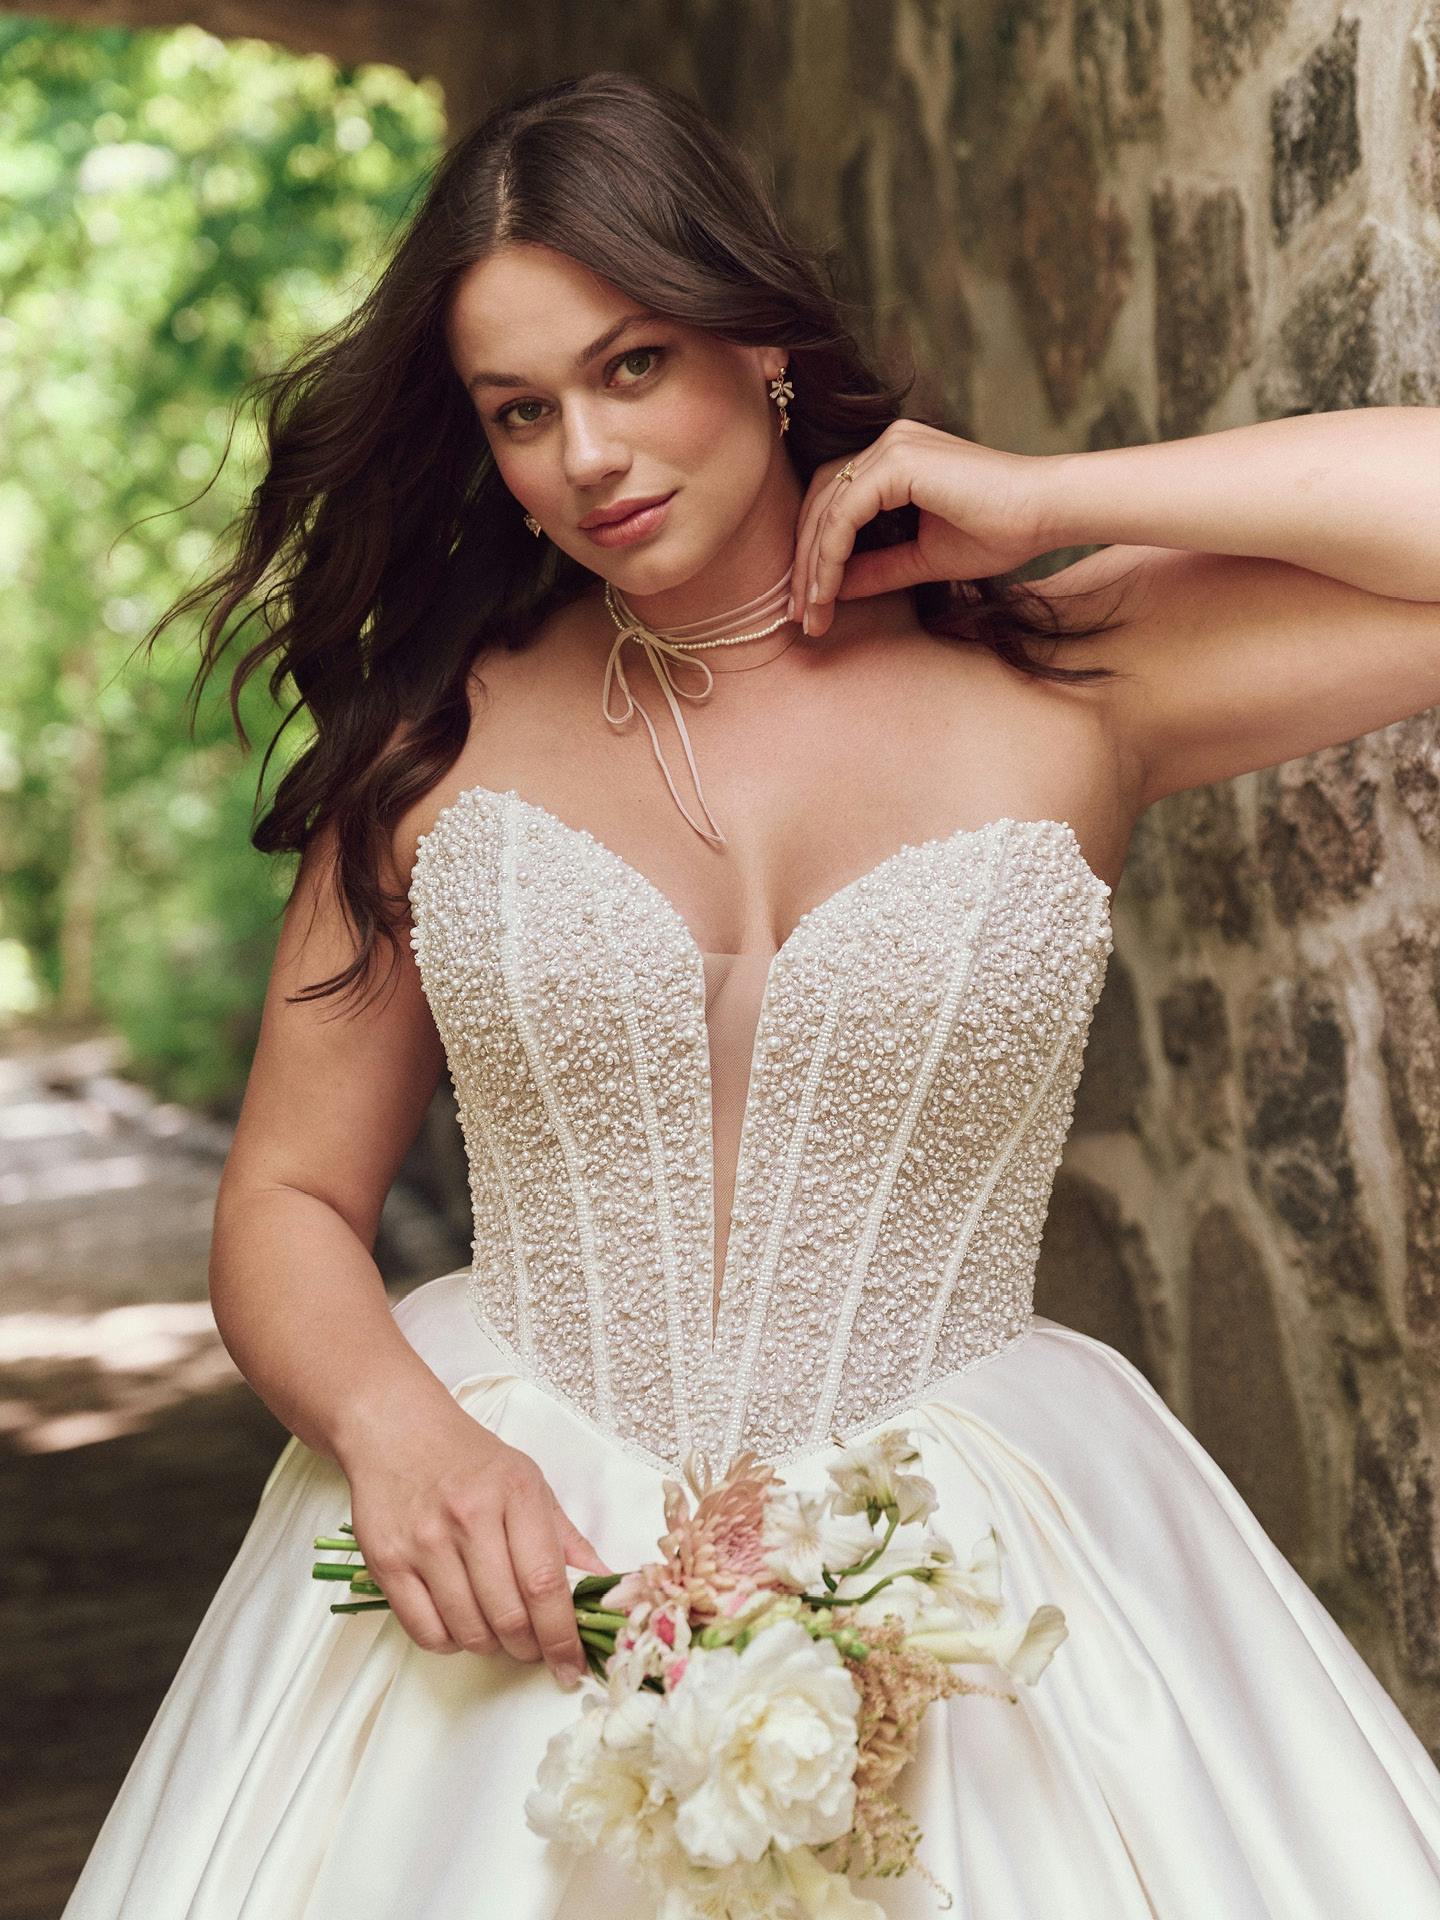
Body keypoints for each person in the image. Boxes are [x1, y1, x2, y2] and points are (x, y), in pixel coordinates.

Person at [61, 64, 1440, 1920]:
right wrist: (396, 1429)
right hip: (513, 1556)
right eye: (520, 411)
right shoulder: (433, 741)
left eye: (634, 365)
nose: (590, 458)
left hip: (967, 1537)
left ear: (757, 346)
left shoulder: (1068, 679)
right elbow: (288, 1198)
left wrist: (1037, 495)